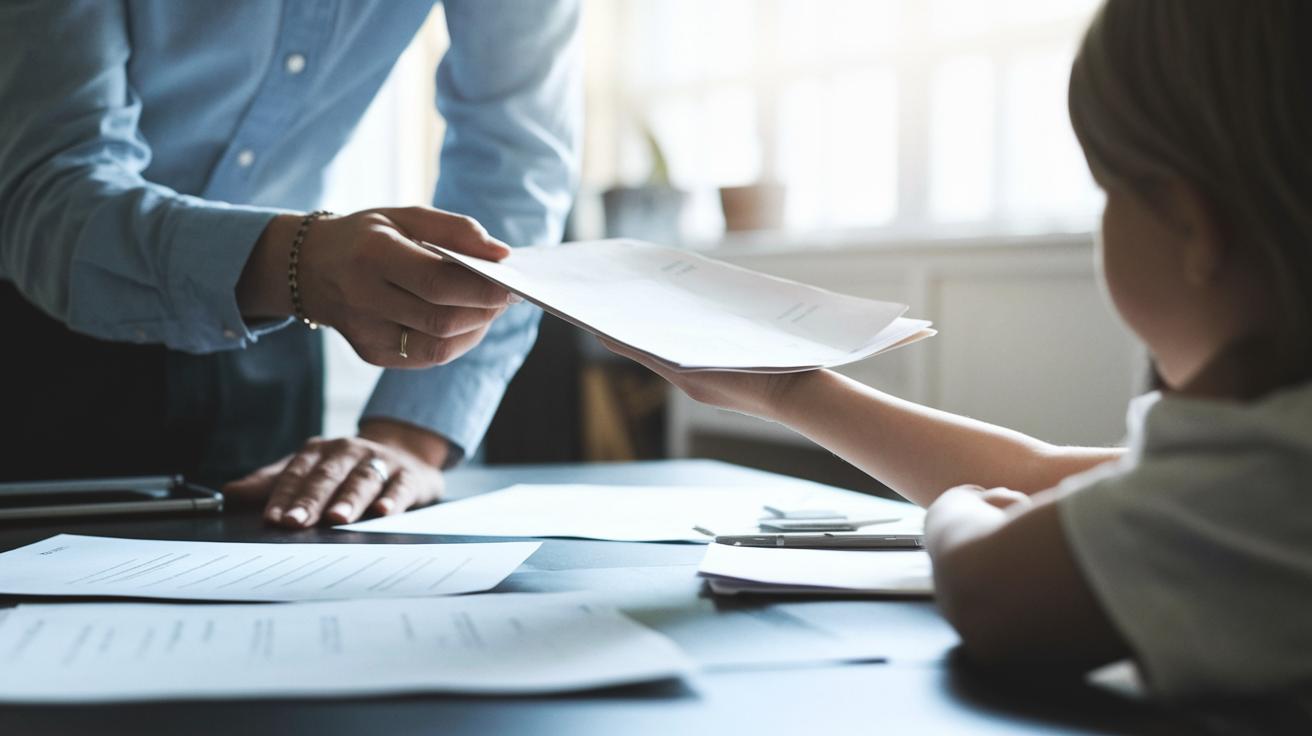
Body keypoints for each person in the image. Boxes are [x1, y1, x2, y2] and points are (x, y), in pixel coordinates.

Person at [606, 0, 1312, 700]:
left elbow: (990, 591)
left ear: (1193, 226)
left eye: (1108, 193)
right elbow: (1045, 474)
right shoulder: (1269, 448)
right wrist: (785, 392)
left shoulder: (1271, 480)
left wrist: (965, 511)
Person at [0, 2, 581, 528]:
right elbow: (48, 182)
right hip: (41, 324)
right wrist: (299, 261)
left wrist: (409, 435)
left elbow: (513, 161)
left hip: (280, 331)